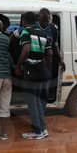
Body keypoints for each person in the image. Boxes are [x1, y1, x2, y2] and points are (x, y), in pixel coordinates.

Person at [16, 11, 52, 140]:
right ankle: (43, 129)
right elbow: (49, 54)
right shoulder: (44, 33)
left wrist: (18, 65)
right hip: (42, 70)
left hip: (31, 71)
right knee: (39, 101)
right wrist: (46, 68)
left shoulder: (26, 32)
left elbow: (26, 49)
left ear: (24, 21)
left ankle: (38, 131)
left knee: (33, 102)